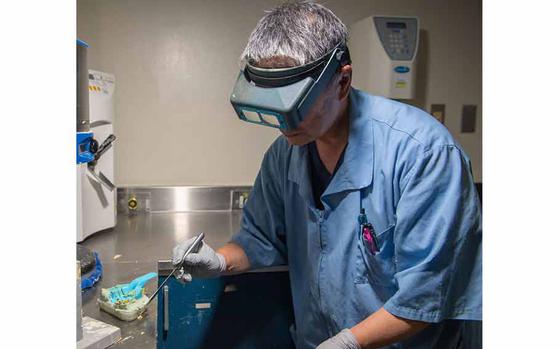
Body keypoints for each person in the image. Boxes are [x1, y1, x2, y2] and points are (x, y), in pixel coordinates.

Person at [172, 2, 482, 348]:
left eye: (294, 105)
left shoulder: (423, 154)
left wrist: (349, 343)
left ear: (342, 81)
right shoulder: (285, 154)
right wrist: (219, 260)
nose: (283, 124)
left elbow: (426, 295)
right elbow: (260, 240)